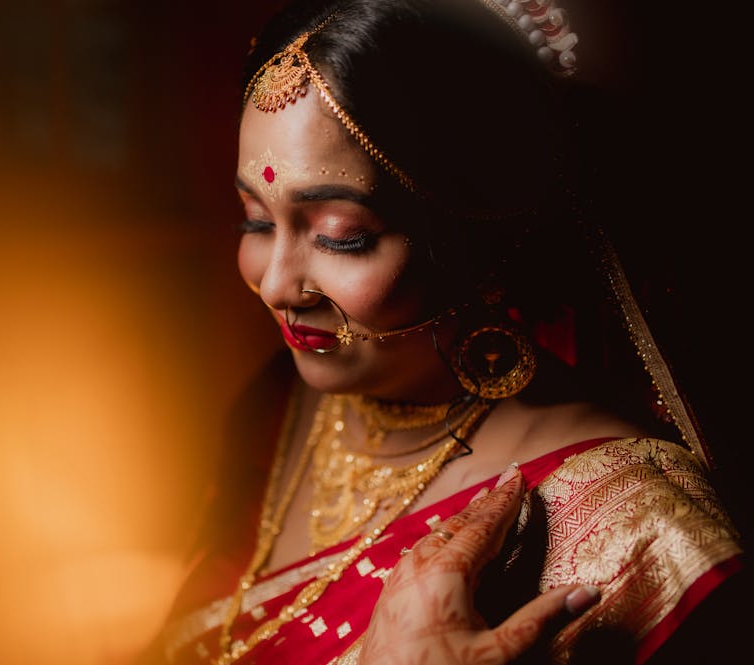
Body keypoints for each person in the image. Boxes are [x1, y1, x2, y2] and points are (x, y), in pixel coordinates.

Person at [153, 1, 745, 663]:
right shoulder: (278, 409)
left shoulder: (631, 521)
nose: (275, 284)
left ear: (478, 245)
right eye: (256, 221)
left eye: (341, 238)